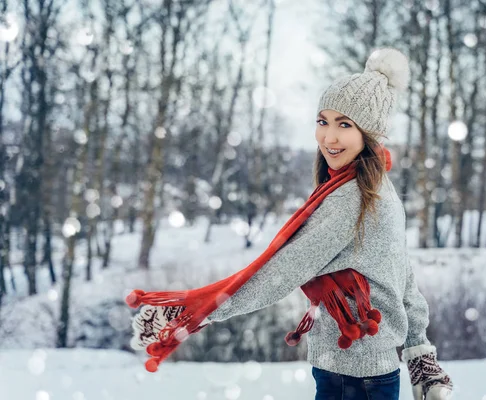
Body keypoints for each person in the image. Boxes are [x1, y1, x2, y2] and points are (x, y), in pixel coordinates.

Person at [127, 48, 453, 400]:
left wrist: (197, 311)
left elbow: (283, 271)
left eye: (344, 124)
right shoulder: (378, 192)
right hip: (371, 368)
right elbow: (402, 277)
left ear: (368, 134)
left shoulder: (351, 199)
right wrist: (420, 352)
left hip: (351, 375)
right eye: (323, 121)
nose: (328, 137)